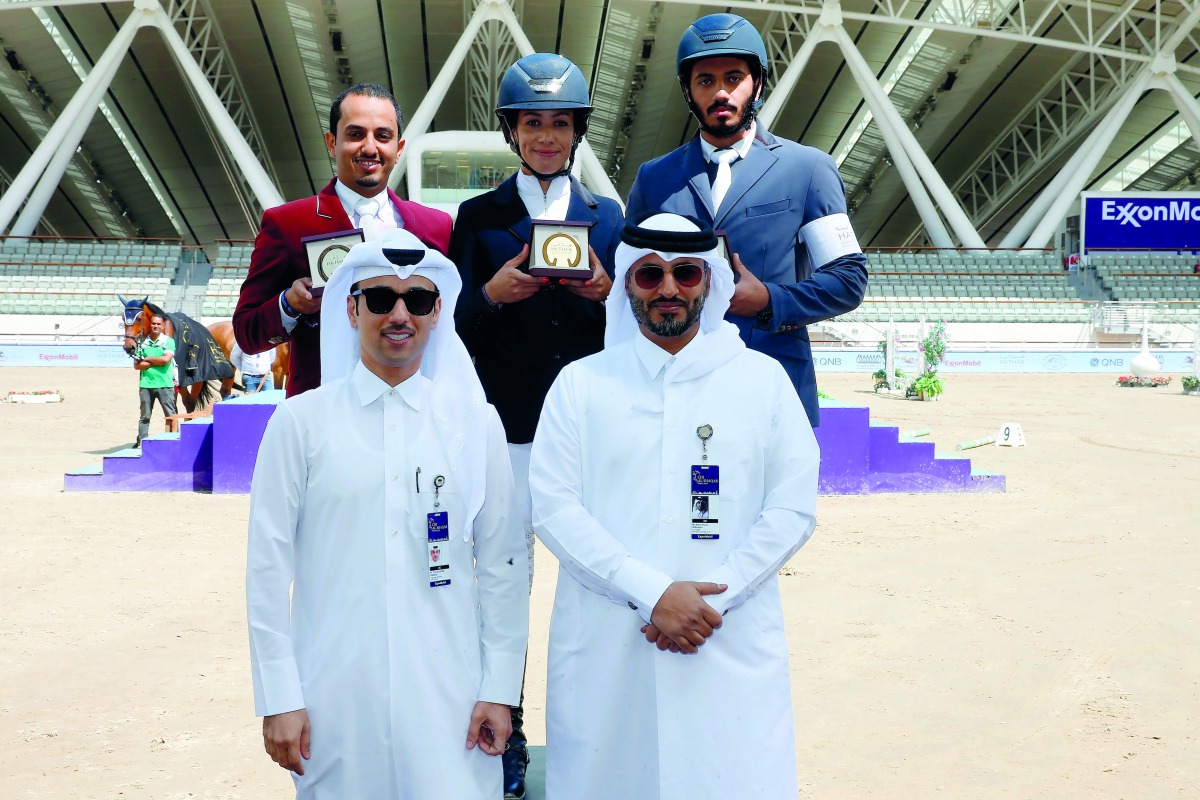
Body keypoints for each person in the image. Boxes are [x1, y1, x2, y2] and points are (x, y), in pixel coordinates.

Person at [529, 213, 820, 799]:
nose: (668, 289)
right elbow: (554, 508)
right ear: (627, 284)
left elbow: (792, 506)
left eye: (685, 273)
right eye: (649, 275)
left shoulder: (761, 380)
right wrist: (653, 593)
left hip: (725, 634)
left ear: (709, 281)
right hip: (613, 643)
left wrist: (716, 596)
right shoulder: (581, 384)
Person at [246, 230, 529, 798]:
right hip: (333, 698)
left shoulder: (475, 421)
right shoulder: (300, 423)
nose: (399, 315)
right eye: (380, 299)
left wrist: (499, 688)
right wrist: (279, 697)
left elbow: (503, 563)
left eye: (417, 301)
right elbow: (268, 573)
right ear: (351, 310)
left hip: (451, 700)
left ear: (436, 312)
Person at [450, 52, 623, 800]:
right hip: (510, 427)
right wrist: (491, 293)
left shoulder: (611, 219)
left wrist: (610, 294)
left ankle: (596, 735)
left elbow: (644, 328)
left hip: (589, 435)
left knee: (597, 589)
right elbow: (450, 330)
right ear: (511, 132)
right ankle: (507, 732)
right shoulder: (479, 219)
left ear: (578, 131)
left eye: (559, 123)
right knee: (504, 589)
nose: (546, 136)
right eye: (532, 123)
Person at [626, 12, 868, 427]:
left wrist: (771, 301)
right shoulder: (654, 178)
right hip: (672, 392)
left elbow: (848, 279)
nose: (721, 92)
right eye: (705, 81)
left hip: (774, 389)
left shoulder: (808, 169)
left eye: (734, 78)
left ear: (757, 83)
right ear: (688, 91)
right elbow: (633, 273)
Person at [233, 82, 453, 398]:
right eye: (355, 134)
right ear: (331, 142)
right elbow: (246, 332)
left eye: (382, 136)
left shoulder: (436, 227)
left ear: (399, 148)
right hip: (325, 413)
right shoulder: (288, 223)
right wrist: (290, 304)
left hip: (415, 411)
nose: (369, 147)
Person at [132, 313, 176, 447]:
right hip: (146, 385)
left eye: (158, 324)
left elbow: (166, 360)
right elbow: (137, 365)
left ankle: (173, 440)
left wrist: (146, 359)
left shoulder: (169, 341)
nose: (156, 326)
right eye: (153, 323)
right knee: (144, 416)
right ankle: (142, 442)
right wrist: (157, 361)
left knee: (170, 415)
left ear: (163, 326)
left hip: (165, 384)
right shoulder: (142, 342)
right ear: (150, 325)